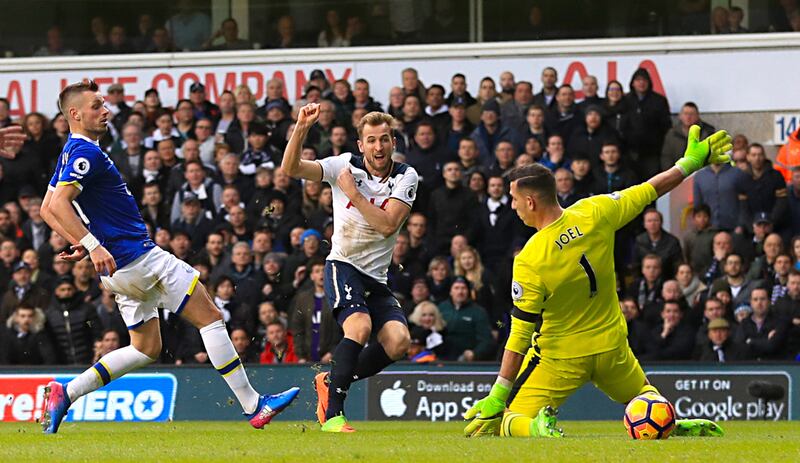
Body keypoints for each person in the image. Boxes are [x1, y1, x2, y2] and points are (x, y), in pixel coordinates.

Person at [37, 80, 298, 434]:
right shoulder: (86, 154)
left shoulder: (71, 152)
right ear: (75, 113)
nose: (106, 110)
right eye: (97, 105)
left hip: (119, 269)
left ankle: (66, 393)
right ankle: (255, 404)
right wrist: (92, 244)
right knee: (210, 316)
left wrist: (84, 241)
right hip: (138, 258)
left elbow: (47, 209)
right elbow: (57, 205)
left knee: (145, 348)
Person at [463, 125, 731, 438]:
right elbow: (649, 190)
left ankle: (537, 429)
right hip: (612, 348)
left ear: (531, 202)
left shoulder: (530, 259)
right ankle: (665, 422)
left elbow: (520, 334)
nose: (513, 205)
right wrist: (689, 164)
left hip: (561, 356)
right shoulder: (595, 210)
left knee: (502, 420)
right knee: (644, 395)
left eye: (514, 199)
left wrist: (497, 395)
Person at [281, 104, 419, 433]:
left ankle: (331, 380)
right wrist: (301, 127)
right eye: (371, 140)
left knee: (399, 342)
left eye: (384, 139)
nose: (378, 147)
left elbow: (387, 225)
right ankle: (333, 417)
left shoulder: (406, 176)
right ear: (361, 145)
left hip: (376, 277)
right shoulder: (343, 164)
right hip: (343, 264)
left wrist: (353, 194)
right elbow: (291, 169)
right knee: (358, 327)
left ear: (393, 143)